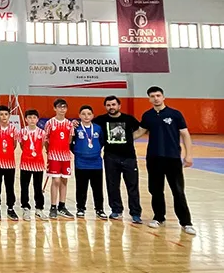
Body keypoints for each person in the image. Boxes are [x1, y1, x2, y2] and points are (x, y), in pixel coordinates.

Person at [136, 86, 196, 235]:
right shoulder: (148, 115)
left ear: (163, 97)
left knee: (178, 191)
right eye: (152, 96)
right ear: (149, 99)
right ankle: (158, 217)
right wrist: (119, 139)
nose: (156, 98)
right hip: (154, 158)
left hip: (172, 158)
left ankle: (186, 222)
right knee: (155, 190)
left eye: (158, 95)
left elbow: (185, 134)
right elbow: (139, 132)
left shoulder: (175, 114)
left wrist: (189, 155)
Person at [92, 95, 143, 223]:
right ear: (105, 107)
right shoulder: (101, 120)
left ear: (119, 106)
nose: (111, 107)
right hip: (110, 157)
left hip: (129, 157)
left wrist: (130, 138)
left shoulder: (129, 119)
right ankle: (116, 210)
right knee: (112, 185)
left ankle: (135, 213)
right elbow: (87, 125)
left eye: (113, 104)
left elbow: (141, 129)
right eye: (108, 105)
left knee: (132, 186)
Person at [72, 106, 108, 220]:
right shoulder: (76, 128)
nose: (86, 116)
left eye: (89, 114)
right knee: (81, 188)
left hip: (96, 163)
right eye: (83, 114)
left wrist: (95, 151)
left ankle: (99, 209)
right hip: (81, 163)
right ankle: (80, 208)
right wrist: (78, 152)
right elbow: (71, 143)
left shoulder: (97, 128)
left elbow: (102, 141)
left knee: (97, 188)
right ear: (79, 115)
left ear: (92, 115)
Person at [44, 98, 75, 219]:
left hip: (65, 156)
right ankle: (53, 206)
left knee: (64, 180)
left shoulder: (69, 124)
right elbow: (46, 139)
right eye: (59, 107)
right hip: (53, 156)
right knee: (56, 180)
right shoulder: (50, 123)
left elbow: (69, 140)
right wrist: (49, 151)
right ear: (55, 108)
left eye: (64, 107)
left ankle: (62, 206)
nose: (62, 109)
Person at [0, 105, 20, 221]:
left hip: (10, 164)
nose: (4, 117)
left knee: (10, 187)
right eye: (1, 114)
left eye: (6, 114)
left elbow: (14, 145)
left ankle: (10, 208)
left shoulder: (13, 129)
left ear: (9, 116)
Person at [19, 109, 48, 221]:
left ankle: (39, 208)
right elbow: (21, 146)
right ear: (26, 119)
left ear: (37, 119)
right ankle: (25, 207)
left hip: (38, 163)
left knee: (38, 186)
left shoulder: (42, 133)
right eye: (29, 117)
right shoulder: (22, 132)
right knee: (24, 186)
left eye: (34, 117)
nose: (32, 120)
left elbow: (42, 146)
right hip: (25, 163)